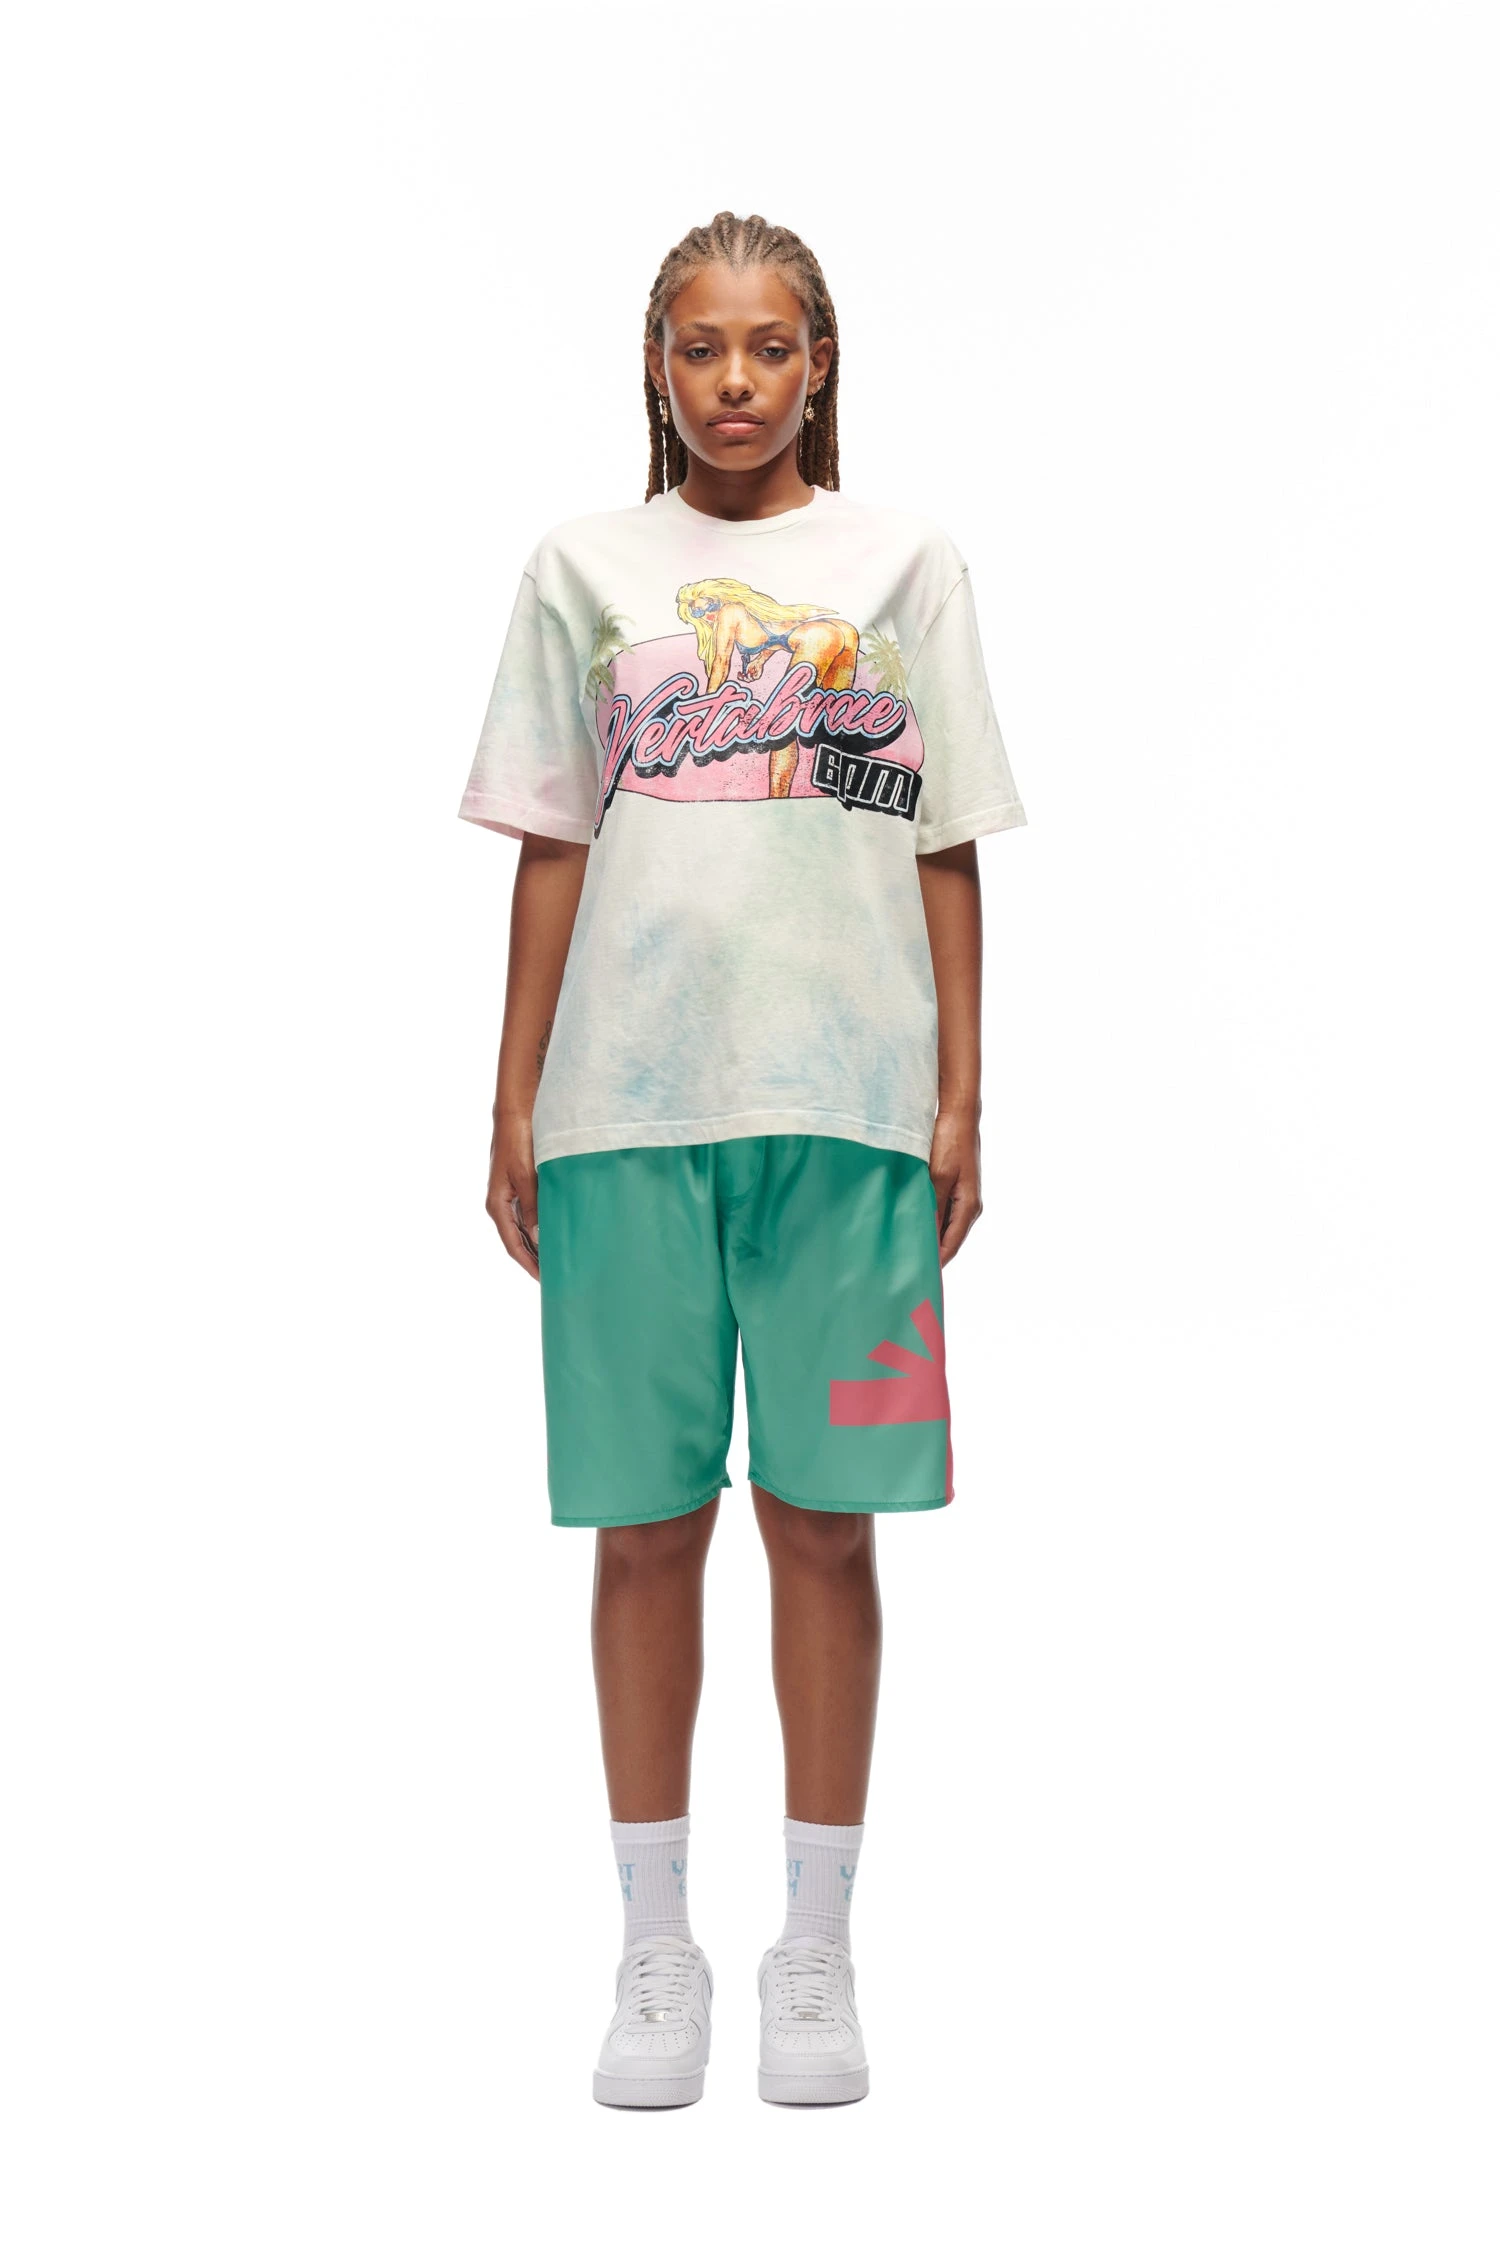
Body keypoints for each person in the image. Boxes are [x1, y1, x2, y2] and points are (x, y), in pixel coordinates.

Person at [459, 210, 1026, 2107]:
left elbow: (948, 838)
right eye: (700, 347)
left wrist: (962, 1092)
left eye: (769, 347)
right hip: (626, 1115)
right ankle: (653, 1948)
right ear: (656, 364)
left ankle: (816, 1947)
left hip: (851, 1120)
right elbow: (553, 840)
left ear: (818, 364)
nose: (733, 381)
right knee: (643, 1524)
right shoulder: (584, 568)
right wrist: (512, 1092)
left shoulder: (904, 564)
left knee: (825, 1516)